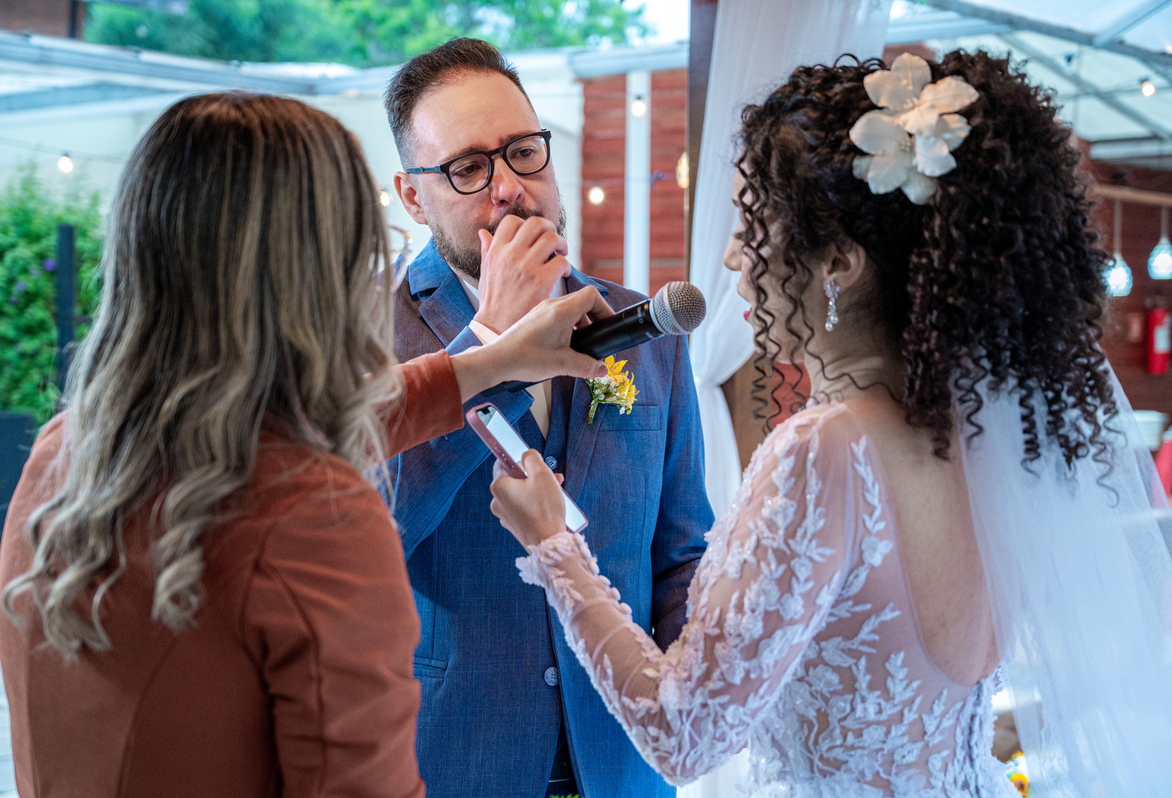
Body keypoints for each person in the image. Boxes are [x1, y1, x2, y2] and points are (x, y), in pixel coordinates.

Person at [489, 51, 1172, 795]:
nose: (732, 257)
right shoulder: (983, 435)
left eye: (753, 227)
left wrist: (554, 545)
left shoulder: (826, 451)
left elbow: (683, 734)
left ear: (839, 263)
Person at [0, 92, 613, 798]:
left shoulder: (64, 450)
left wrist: (490, 356)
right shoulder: (315, 514)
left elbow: (307, 424)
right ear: (320, 274)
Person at [384, 38, 712, 798]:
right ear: (412, 197)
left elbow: (681, 549)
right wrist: (489, 343)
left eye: (524, 152)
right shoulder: (360, 334)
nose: (509, 187)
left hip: (623, 765)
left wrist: (694, 684)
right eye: (469, 168)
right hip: (452, 760)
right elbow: (365, 530)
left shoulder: (643, 326)